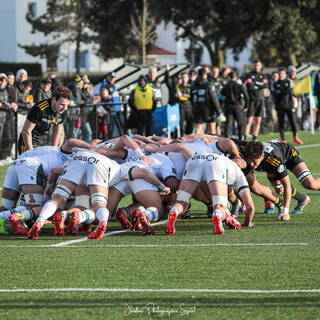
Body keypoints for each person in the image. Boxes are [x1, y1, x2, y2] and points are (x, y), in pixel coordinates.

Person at [27, 147, 170, 240]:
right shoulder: (123, 167)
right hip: (98, 165)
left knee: (58, 199)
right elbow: (144, 172)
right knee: (99, 204)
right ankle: (103, 223)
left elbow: (55, 171)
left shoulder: (112, 158)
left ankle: (40, 221)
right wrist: (162, 186)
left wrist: (49, 186)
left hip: (79, 158)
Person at [165, 150, 255, 235]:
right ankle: (217, 214)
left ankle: (174, 211)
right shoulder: (238, 172)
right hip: (217, 165)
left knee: (181, 202)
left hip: (195, 159)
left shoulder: (224, 159)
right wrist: (247, 223)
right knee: (220, 206)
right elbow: (250, 207)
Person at [240, 141, 315, 221]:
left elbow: (287, 185)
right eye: (249, 160)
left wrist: (285, 211)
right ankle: (303, 199)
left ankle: (302, 199)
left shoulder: (275, 160)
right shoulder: (245, 148)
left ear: (262, 156)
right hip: (269, 164)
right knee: (280, 190)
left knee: (310, 184)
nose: (251, 164)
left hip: (289, 154)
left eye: (254, 161)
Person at [17, 86, 72, 154]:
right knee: (29, 163)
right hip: (27, 142)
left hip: (42, 142)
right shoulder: (40, 108)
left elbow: (57, 131)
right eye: (62, 104)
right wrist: (30, 152)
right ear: (54, 100)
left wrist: (53, 149)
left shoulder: (64, 111)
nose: (64, 108)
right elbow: (26, 131)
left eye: (66, 105)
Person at [272, 68, 303, 144]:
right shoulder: (275, 83)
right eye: (279, 74)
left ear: (285, 74)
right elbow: (274, 93)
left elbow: (289, 91)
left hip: (289, 105)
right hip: (279, 106)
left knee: (293, 121)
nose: (280, 75)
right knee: (281, 123)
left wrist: (281, 92)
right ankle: (282, 139)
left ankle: (295, 137)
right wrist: (283, 92)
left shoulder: (289, 81)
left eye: (282, 73)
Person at [191, 68, 226, 134]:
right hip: (208, 110)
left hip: (196, 109)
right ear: (205, 75)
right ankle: (212, 143)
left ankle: (198, 143)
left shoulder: (193, 85)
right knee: (212, 128)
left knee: (198, 129)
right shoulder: (208, 85)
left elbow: (191, 98)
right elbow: (214, 99)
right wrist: (219, 111)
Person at [244, 60, 268, 141]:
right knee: (249, 120)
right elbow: (249, 86)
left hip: (260, 100)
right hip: (251, 100)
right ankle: (245, 137)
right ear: (253, 66)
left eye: (258, 65)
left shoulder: (263, 75)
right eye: (255, 65)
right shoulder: (249, 75)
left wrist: (255, 84)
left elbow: (266, 85)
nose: (257, 67)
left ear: (261, 66)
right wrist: (259, 84)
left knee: (258, 120)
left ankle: (254, 138)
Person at [221, 71, 249, 140]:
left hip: (228, 107)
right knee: (240, 124)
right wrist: (246, 106)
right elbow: (247, 97)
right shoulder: (239, 86)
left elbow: (221, 97)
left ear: (229, 77)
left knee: (228, 125)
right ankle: (240, 139)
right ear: (235, 77)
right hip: (238, 107)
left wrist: (221, 107)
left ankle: (226, 140)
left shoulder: (225, 86)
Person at [0, 73, 18, 159]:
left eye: (4, 81)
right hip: (3, 118)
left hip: (4, 118)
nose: (1, 83)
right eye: (0, 80)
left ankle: (4, 157)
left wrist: (9, 105)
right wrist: (9, 106)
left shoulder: (5, 91)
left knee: (8, 138)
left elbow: (5, 103)